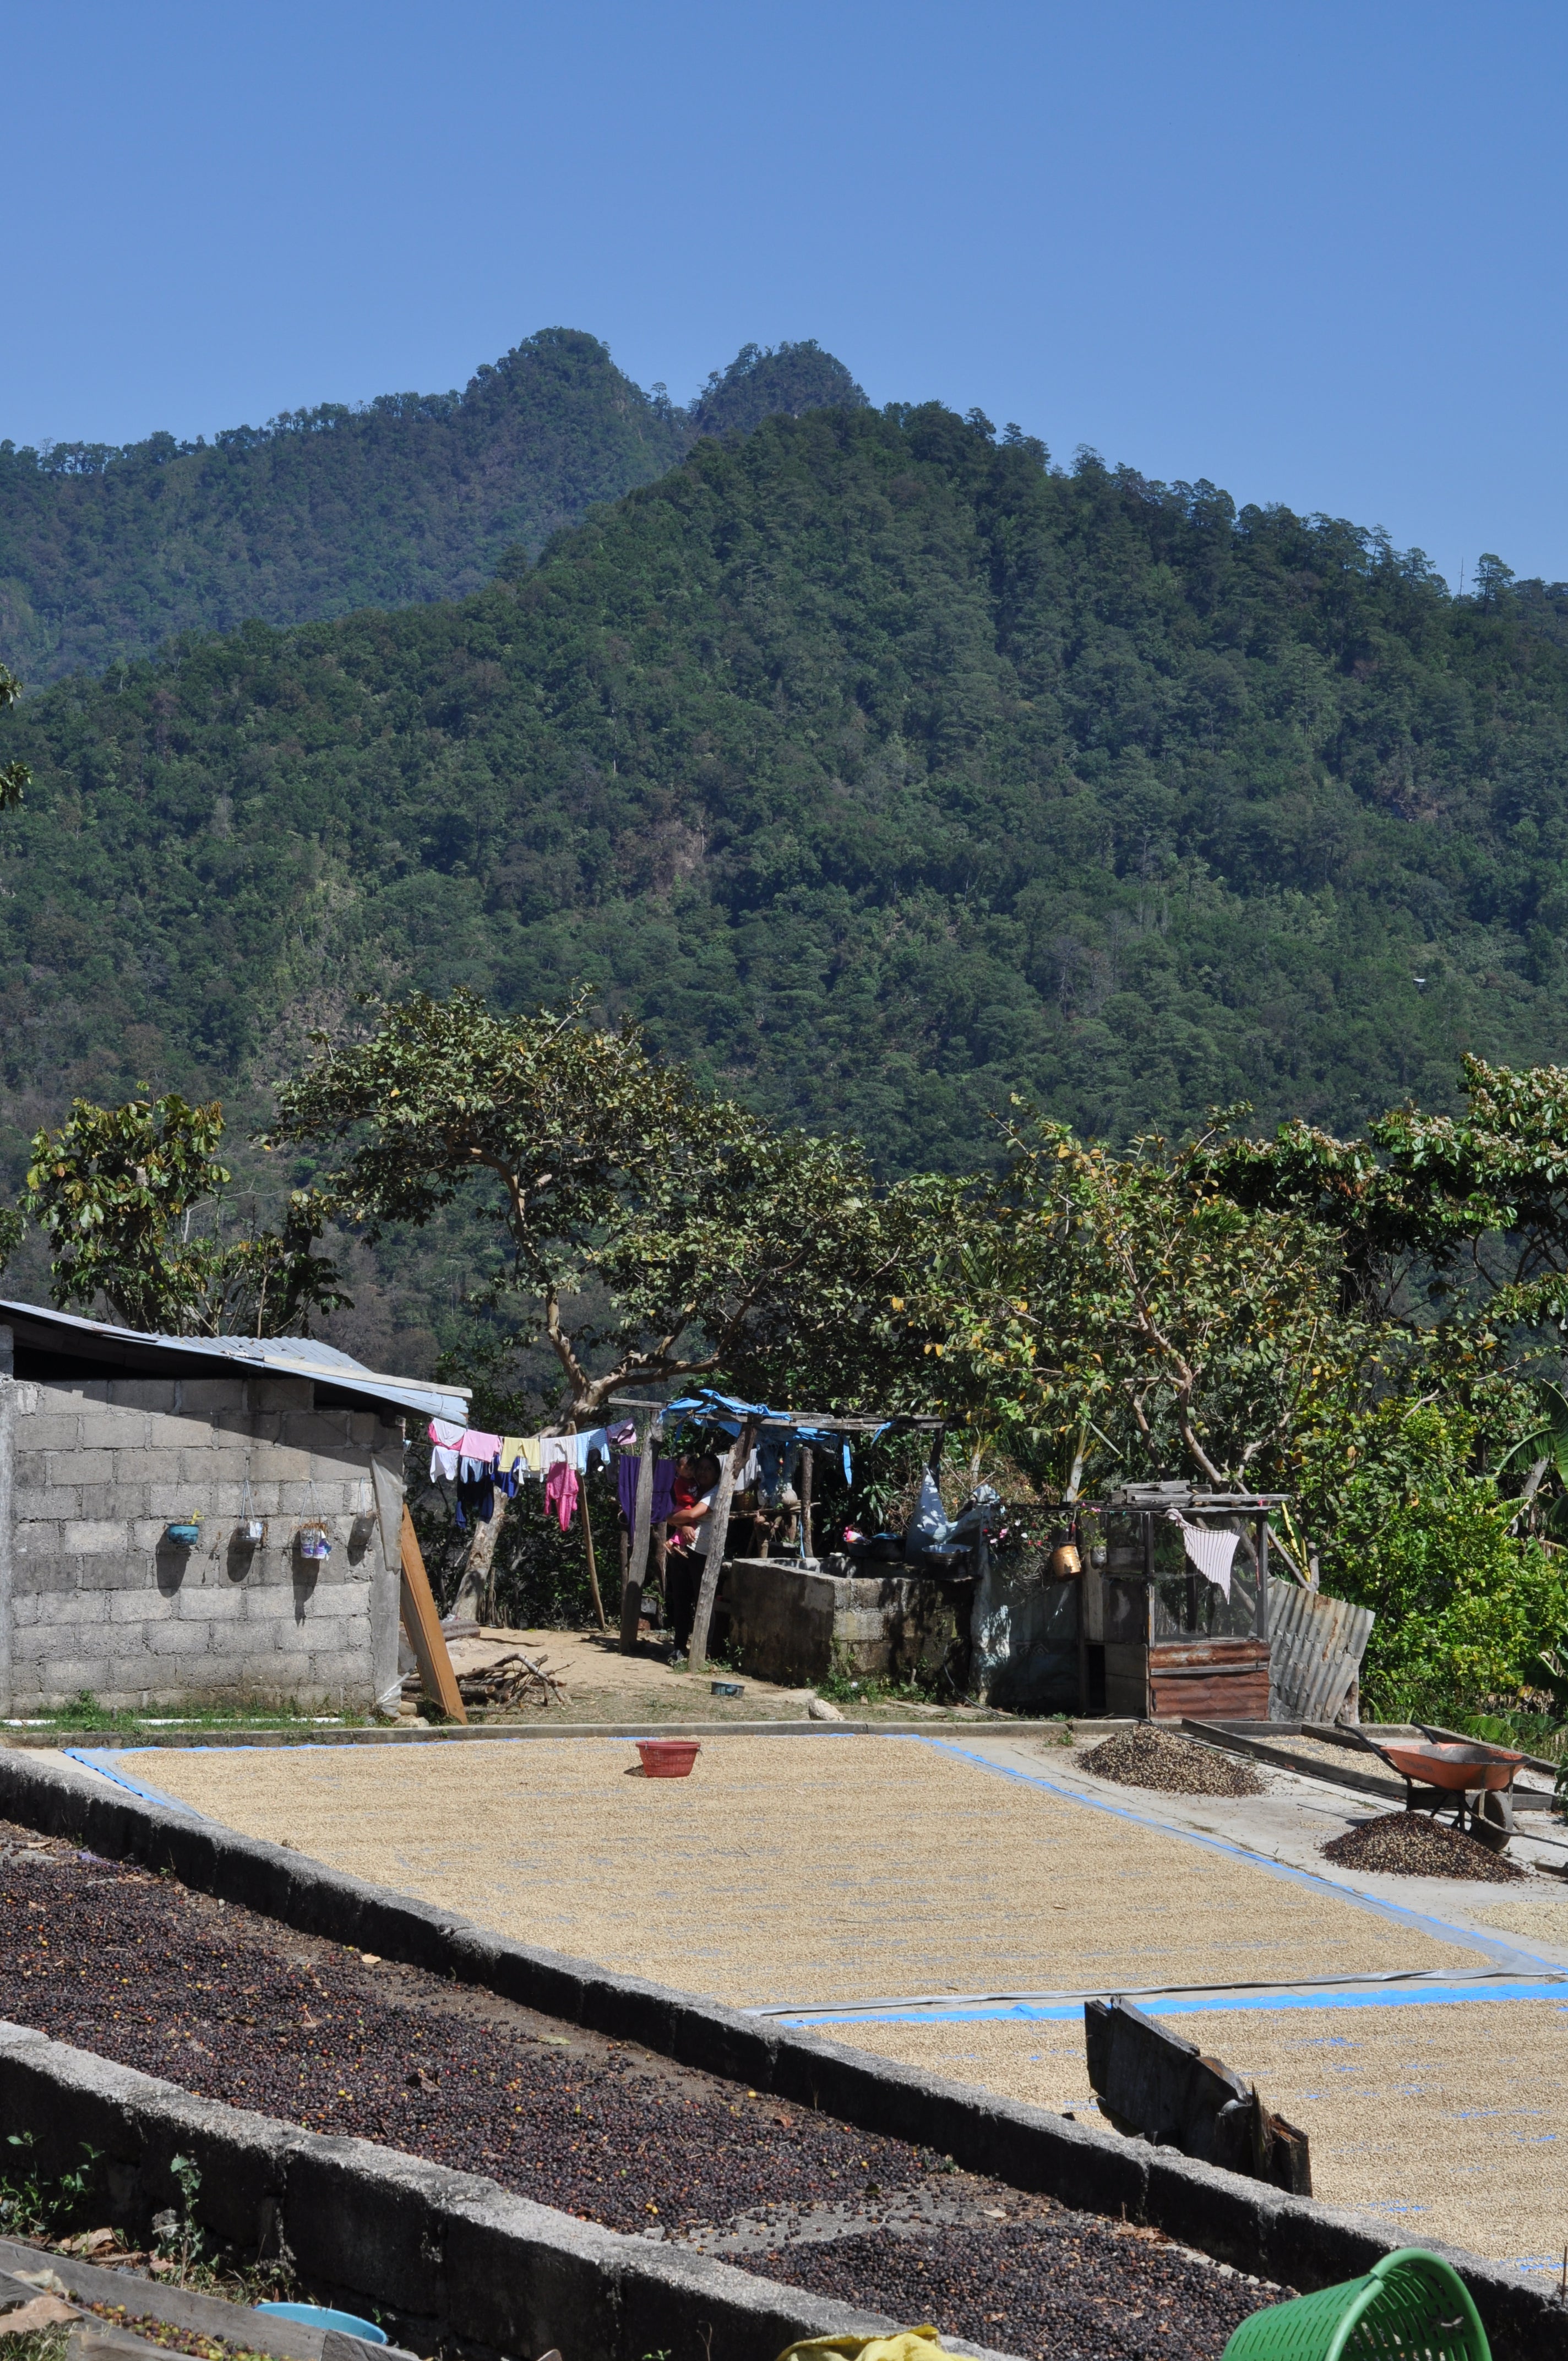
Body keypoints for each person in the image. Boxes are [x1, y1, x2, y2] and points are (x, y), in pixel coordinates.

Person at [663, 1452, 720, 1656]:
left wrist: (674, 1519)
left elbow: (692, 1514)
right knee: (681, 1598)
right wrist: (680, 1522)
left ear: (717, 1473)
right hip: (682, 1550)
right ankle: (679, 1647)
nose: (704, 1472)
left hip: (703, 1552)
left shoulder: (716, 1492)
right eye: (701, 1468)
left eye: (709, 1469)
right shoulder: (689, 1486)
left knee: (703, 1599)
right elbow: (679, 1513)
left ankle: (704, 1650)